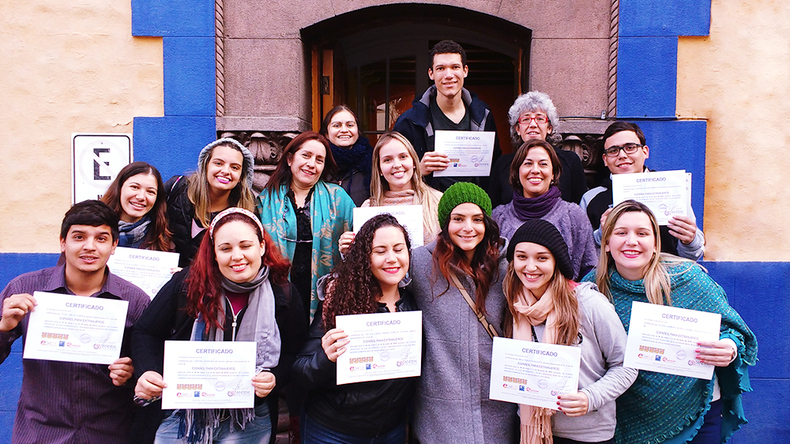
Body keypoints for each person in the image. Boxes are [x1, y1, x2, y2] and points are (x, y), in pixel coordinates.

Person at [585, 200, 757, 444]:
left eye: (642, 233)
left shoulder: (688, 278)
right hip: (625, 416)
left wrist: (729, 347)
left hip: (695, 414)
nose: (631, 241)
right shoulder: (592, 288)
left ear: (656, 244)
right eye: (621, 233)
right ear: (606, 243)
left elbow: (733, 329)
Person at [132, 207, 307, 444]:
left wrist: (275, 377)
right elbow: (145, 332)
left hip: (250, 421)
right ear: (214, 253)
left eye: (245, 246)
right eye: (225, 248)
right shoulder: (188, 284)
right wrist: (149, 370)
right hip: (184, 417)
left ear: (261, 247)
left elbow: (294, 352)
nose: (237, 256)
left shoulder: (283, 292)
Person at [0, 200, 150, 444]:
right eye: (79, 237)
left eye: (101, 239)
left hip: (108, 433)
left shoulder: (135, 301)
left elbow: (150, 371)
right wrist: (4, 327)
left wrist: (132, 374)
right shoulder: (25, 288)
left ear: (114, 245)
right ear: (62, 242)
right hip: (40, 434)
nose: (89, 247)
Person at [503, 219, 637, 444]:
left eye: (542, 258)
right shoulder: (515, 305)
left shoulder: (588, 303)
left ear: (557, 262)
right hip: (529, 428)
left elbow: (627, 365)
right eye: (522, 257)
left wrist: (590, 397)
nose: (530, 267)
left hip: (586, 434)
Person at [293, 214, 417, 443]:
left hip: (390, 431)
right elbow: (301, 372)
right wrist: (325, 358)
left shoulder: (415, 303)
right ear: (364, 257)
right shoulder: (342, 301)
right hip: (332, 431)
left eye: (399, 249)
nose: (392, 258)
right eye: (380, 251)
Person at [409, 182, 517, 443]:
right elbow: (379, 281)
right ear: (445, 223)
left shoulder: (505, 266)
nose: (468, 227)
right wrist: (353, 253)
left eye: (477, 219)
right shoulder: (420, 262)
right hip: (440, 407)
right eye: (458, 219)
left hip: (496, 402)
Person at [257, 131, 354, 322]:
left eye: (319, 160)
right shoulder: (265, 201)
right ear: (290, 159)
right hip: (278, 296)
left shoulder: (339, 198)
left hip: (326, 296)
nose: (311, 164)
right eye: (306, 155)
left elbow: (361, 241)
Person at [580, 121, 705, 260]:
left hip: (667, 271)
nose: (622, 155)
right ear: (605, 159)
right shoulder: (591, 198)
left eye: (630, 147)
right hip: (615, 273)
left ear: (645, 152)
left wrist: (690, 241)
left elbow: (694, 254)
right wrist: (601, 234)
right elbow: (583, 255)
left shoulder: (671, 189)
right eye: (613, 151)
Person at [393, 40, 500, 192]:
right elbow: (393, 171)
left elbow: (495, 167)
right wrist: (419, 170)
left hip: (474, 202)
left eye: (455, 67)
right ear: (431, 73)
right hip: (428, 202)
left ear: (465, 71)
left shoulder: (484, 115)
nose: (448, 75)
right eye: (441, 68)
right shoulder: (409, 121)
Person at [492, 139, 597, 281]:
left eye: (543, 164)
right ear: (517, 172)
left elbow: (589, 268)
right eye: (528, 163)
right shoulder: (498, 217)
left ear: (553, 173)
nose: (535, 170)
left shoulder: (574, 215)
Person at [338, 131, 443, 254]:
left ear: (414, 162)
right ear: (379, 169)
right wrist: (348, 250)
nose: (397, 165)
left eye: (403, 157)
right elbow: (362, 259)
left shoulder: (438, 201)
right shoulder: (369, 207)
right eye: (387, 160)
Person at [165, 138, 256, 267]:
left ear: (241, 176)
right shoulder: (177, 188)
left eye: (234, 167)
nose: (225, 171)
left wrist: (184, 274)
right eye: (218, 163)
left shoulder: (246, 210)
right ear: (206, 165)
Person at [488, 91, 587, 207]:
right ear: (517, 129)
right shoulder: (503, 164)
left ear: (549, 128)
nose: (533, 124)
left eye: (540, 118)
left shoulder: (570, 161)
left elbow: (580, 205)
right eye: (526, 119)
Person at [101, 161, 172, 251]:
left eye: (150, 191)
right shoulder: (92, 227)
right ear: (119, 188)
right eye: (134, 187)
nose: (141, 197)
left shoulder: (164, 238)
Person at [319, 105, 374, 206]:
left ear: (358, 131)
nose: (344, 130)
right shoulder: (318, 162)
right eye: (337, 125)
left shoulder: (371, 162)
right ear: (326, 133)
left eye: (350, 125)